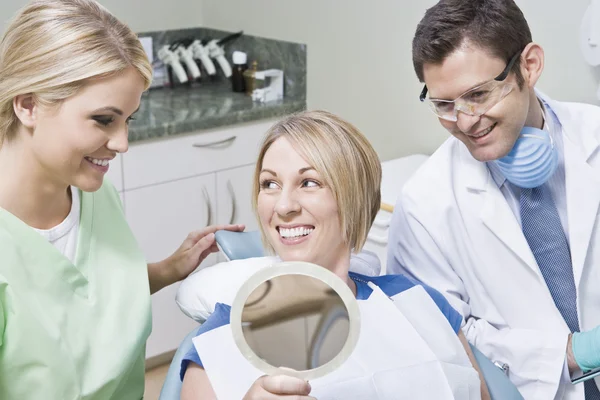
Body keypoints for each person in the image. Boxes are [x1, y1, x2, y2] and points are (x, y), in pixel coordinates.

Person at [0, 1, 242, 398]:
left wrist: (170, 268)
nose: (122, 143)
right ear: (28, 105)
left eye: (128, 120)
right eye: (104, 119)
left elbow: (87, 300)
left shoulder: (96, 194)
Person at [178, 110, 490, 399]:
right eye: (269, 183)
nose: (283, 206)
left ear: (354, 197)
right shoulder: (218, 340)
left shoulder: (418, 302)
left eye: (309, 182)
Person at [387, 0, 600, 399]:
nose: (465, 120)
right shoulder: (424, 205)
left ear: (530, 66)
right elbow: (442, 340)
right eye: (444, 105)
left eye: (479, 94)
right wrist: (571, 354)